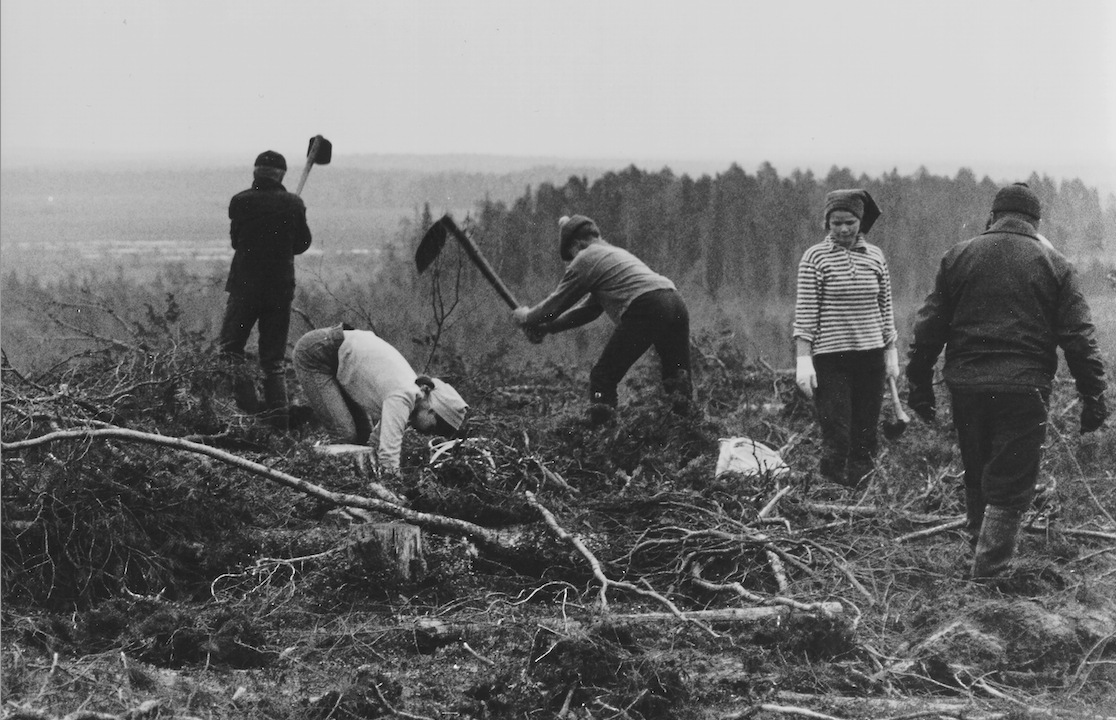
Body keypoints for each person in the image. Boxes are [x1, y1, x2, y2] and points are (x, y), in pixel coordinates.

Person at [905, 182, 1108, 582]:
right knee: (1011, 481)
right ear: (1035, 222)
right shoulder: (1056, 265)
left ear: (993, 217)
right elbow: (1079, 338)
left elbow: (929, 328)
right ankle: (990, 574)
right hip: (1024, 388)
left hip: (966, 385)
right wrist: (1094, 396)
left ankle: (977, 560)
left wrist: (919, 384)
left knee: (978, 469)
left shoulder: (957, 256)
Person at [512, 215, 692, 424]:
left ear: (578, 244)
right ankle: (688, 434)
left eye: (571, 256)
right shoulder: (612, 255)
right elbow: (588, 310)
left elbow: (554, 306)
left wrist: (526, 317)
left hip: (647, 306)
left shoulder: (586, 257)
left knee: (602, 378)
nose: (572, 263)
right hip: (674, 300)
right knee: (677, 378)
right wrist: (548, 327)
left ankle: (603, 438)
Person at [794, 189, 898, 488]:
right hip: (830, 360)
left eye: (850, 222)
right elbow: (805, 312)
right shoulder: (815, 258)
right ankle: (830, 497)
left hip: (871, 358)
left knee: (865, 435)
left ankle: (860, 501)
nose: (843, 229)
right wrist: (804, 359)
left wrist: (890, 353)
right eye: (836, 222)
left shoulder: (875, 257)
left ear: (860, 220)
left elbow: (885, 308)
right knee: (837, 433)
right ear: (827, 222)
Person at [218, 150, 312, 431]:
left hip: (244, 288)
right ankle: (279, 426)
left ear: (256, 172)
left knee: (231, 348)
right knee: (273, 359)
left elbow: (236, 241)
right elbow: (301, 244)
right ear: (281, 175)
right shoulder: (294, 204)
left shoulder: (240, 202)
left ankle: (249, 414)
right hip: (279, 291)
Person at [293, 324, 469, 474]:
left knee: (361, 440)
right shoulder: (404, 395)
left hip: (335, 356)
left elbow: (375, 442)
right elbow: (388, 454)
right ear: (431, 410)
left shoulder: (413, 398)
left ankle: (345, 485)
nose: (426, 433)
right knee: (344, 434)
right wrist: (393, 490)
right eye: (431, 428)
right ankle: (305, 466)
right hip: (316, 354)